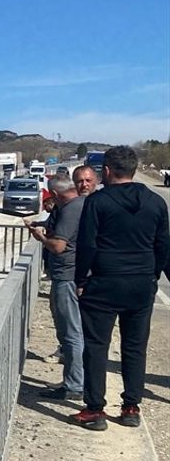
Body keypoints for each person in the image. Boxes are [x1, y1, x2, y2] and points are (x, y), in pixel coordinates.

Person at [70, 146, 170, 430]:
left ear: (109, 170)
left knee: (96, 346)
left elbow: (87, 246)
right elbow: (163, 246)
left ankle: (94, 410)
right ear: (135, 169)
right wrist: (152, 276)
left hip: (104, 282)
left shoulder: (98, 202)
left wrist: (80, 281)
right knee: (135, 347)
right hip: (141, 285)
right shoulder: (155, 202)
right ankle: (130, 407)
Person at [25, 175, 86, 401]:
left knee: (71, 333)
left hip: (66, 277)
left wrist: (39, 236)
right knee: (73, 332)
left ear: (57, 195)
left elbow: (59, 246)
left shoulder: (70, 210)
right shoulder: (82, 205)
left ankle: (74, 385)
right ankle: (76, 381)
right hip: (72, 276)